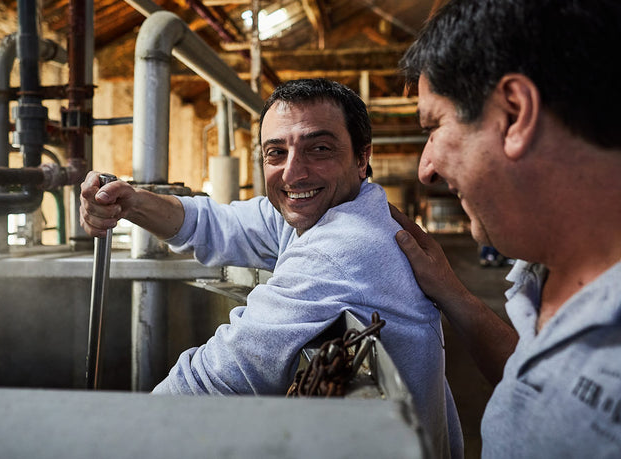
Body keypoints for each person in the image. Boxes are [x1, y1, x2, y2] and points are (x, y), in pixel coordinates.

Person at [393, 0, 621, 458]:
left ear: (514, 114)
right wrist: (456, 296)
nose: (426, 169)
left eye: (434, 127)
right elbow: (541, 381)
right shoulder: (548, 261)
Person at [80, 78, 463, 458]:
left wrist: (114, 435)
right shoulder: (326, 209)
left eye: (320, 149)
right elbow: (215, 223)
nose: (294, 173)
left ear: (362, 157)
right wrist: (133, 203)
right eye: (276, 153)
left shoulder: (345, 245)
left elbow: (223, 375)